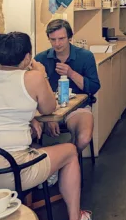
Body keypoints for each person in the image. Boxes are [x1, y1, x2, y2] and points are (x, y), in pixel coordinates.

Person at [0, 32, 92, 220]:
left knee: (33, 142)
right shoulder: (33, 78)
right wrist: (41, 74)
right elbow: (49, 108)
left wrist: (31, 117)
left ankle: (46, 175)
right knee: (70, 151)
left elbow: (2, 103)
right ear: (27, 57)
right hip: (9, 171)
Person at [35, 19, 100, 154]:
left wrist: (71, 73)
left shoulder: (85, 56)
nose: (57, 44)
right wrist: (48, 118)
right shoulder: (40, 59)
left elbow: (93, 87)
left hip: (77, 108)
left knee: (83, 139)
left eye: (61, 39)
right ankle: (49, 165)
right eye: (53, 40)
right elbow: (34, 92)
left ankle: (68, 161)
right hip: (47, 111)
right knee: (28, 135)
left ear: (70, 37)